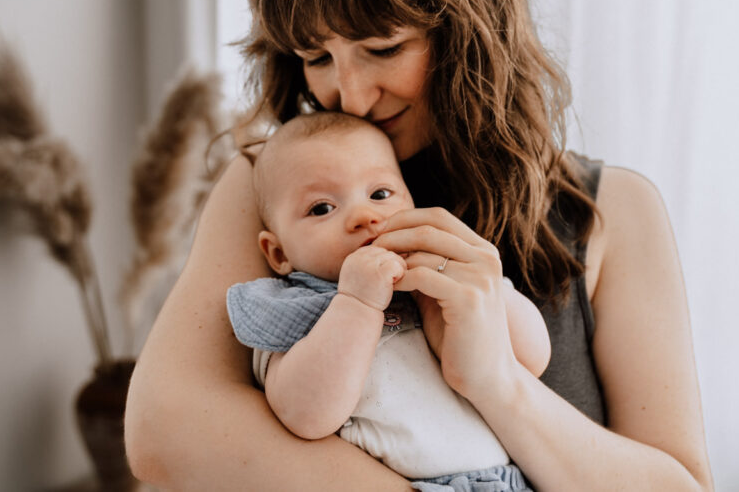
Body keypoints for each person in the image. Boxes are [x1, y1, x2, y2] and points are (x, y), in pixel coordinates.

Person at [124, 0, 714, 491]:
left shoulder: (616, 211)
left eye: (383, 47)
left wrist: (498, 385)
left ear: (468, 30)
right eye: (316, 56)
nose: (348, 96)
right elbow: (164, 430)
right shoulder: (275, 187)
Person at [227, 111, 548, 491]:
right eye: (322, 208)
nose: (365, 217)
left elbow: (533, 358)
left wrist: (485, 291)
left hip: (506, 481)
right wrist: (357, 302)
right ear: (278, 253)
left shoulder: (443, 274)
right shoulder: (294, 309)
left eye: (380, 194)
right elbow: (305, 416)